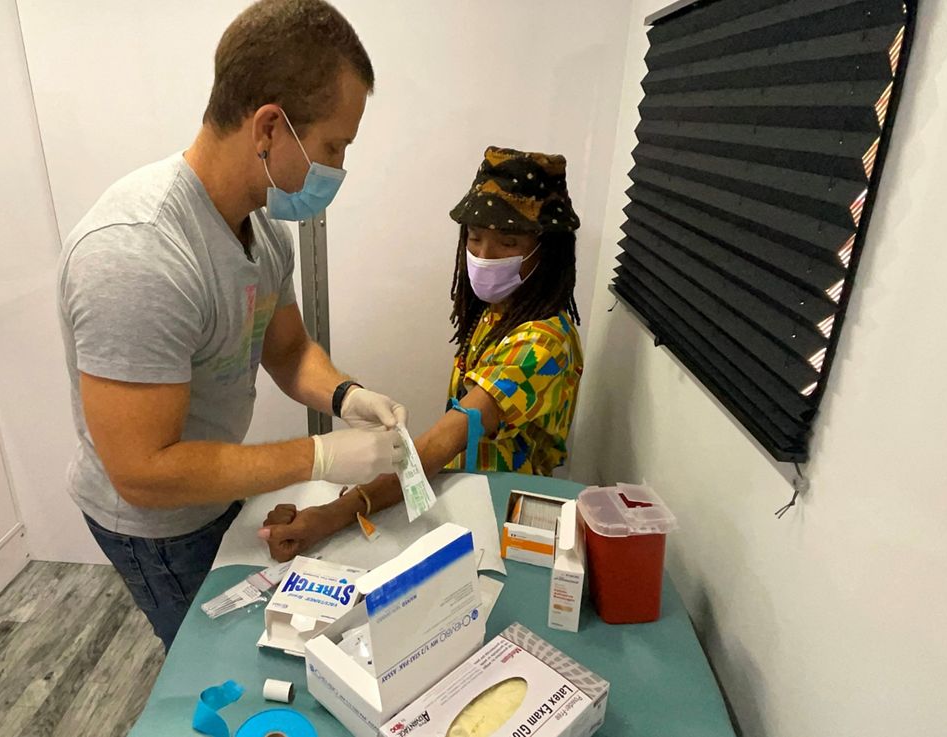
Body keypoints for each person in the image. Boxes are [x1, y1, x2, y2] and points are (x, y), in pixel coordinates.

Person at [57, 0, 404, 652]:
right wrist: (321, 455)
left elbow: (289, 347)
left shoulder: (263, 224)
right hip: (154, 519)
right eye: (333, 146)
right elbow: (143, 471)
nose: (337, 169)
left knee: (244, 626)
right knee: (208, 650)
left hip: (213, 485)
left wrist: (346, 396)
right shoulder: (138, 254)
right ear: (270, 127)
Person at [259, 146, 585, 562]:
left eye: (507, 242)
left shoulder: (541, 343)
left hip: (507, 523)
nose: (483, 257)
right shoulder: (499, 313)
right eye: (474, 238)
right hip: (468, 496)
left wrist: (336, 512)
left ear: (547, 250)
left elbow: (446, 439)